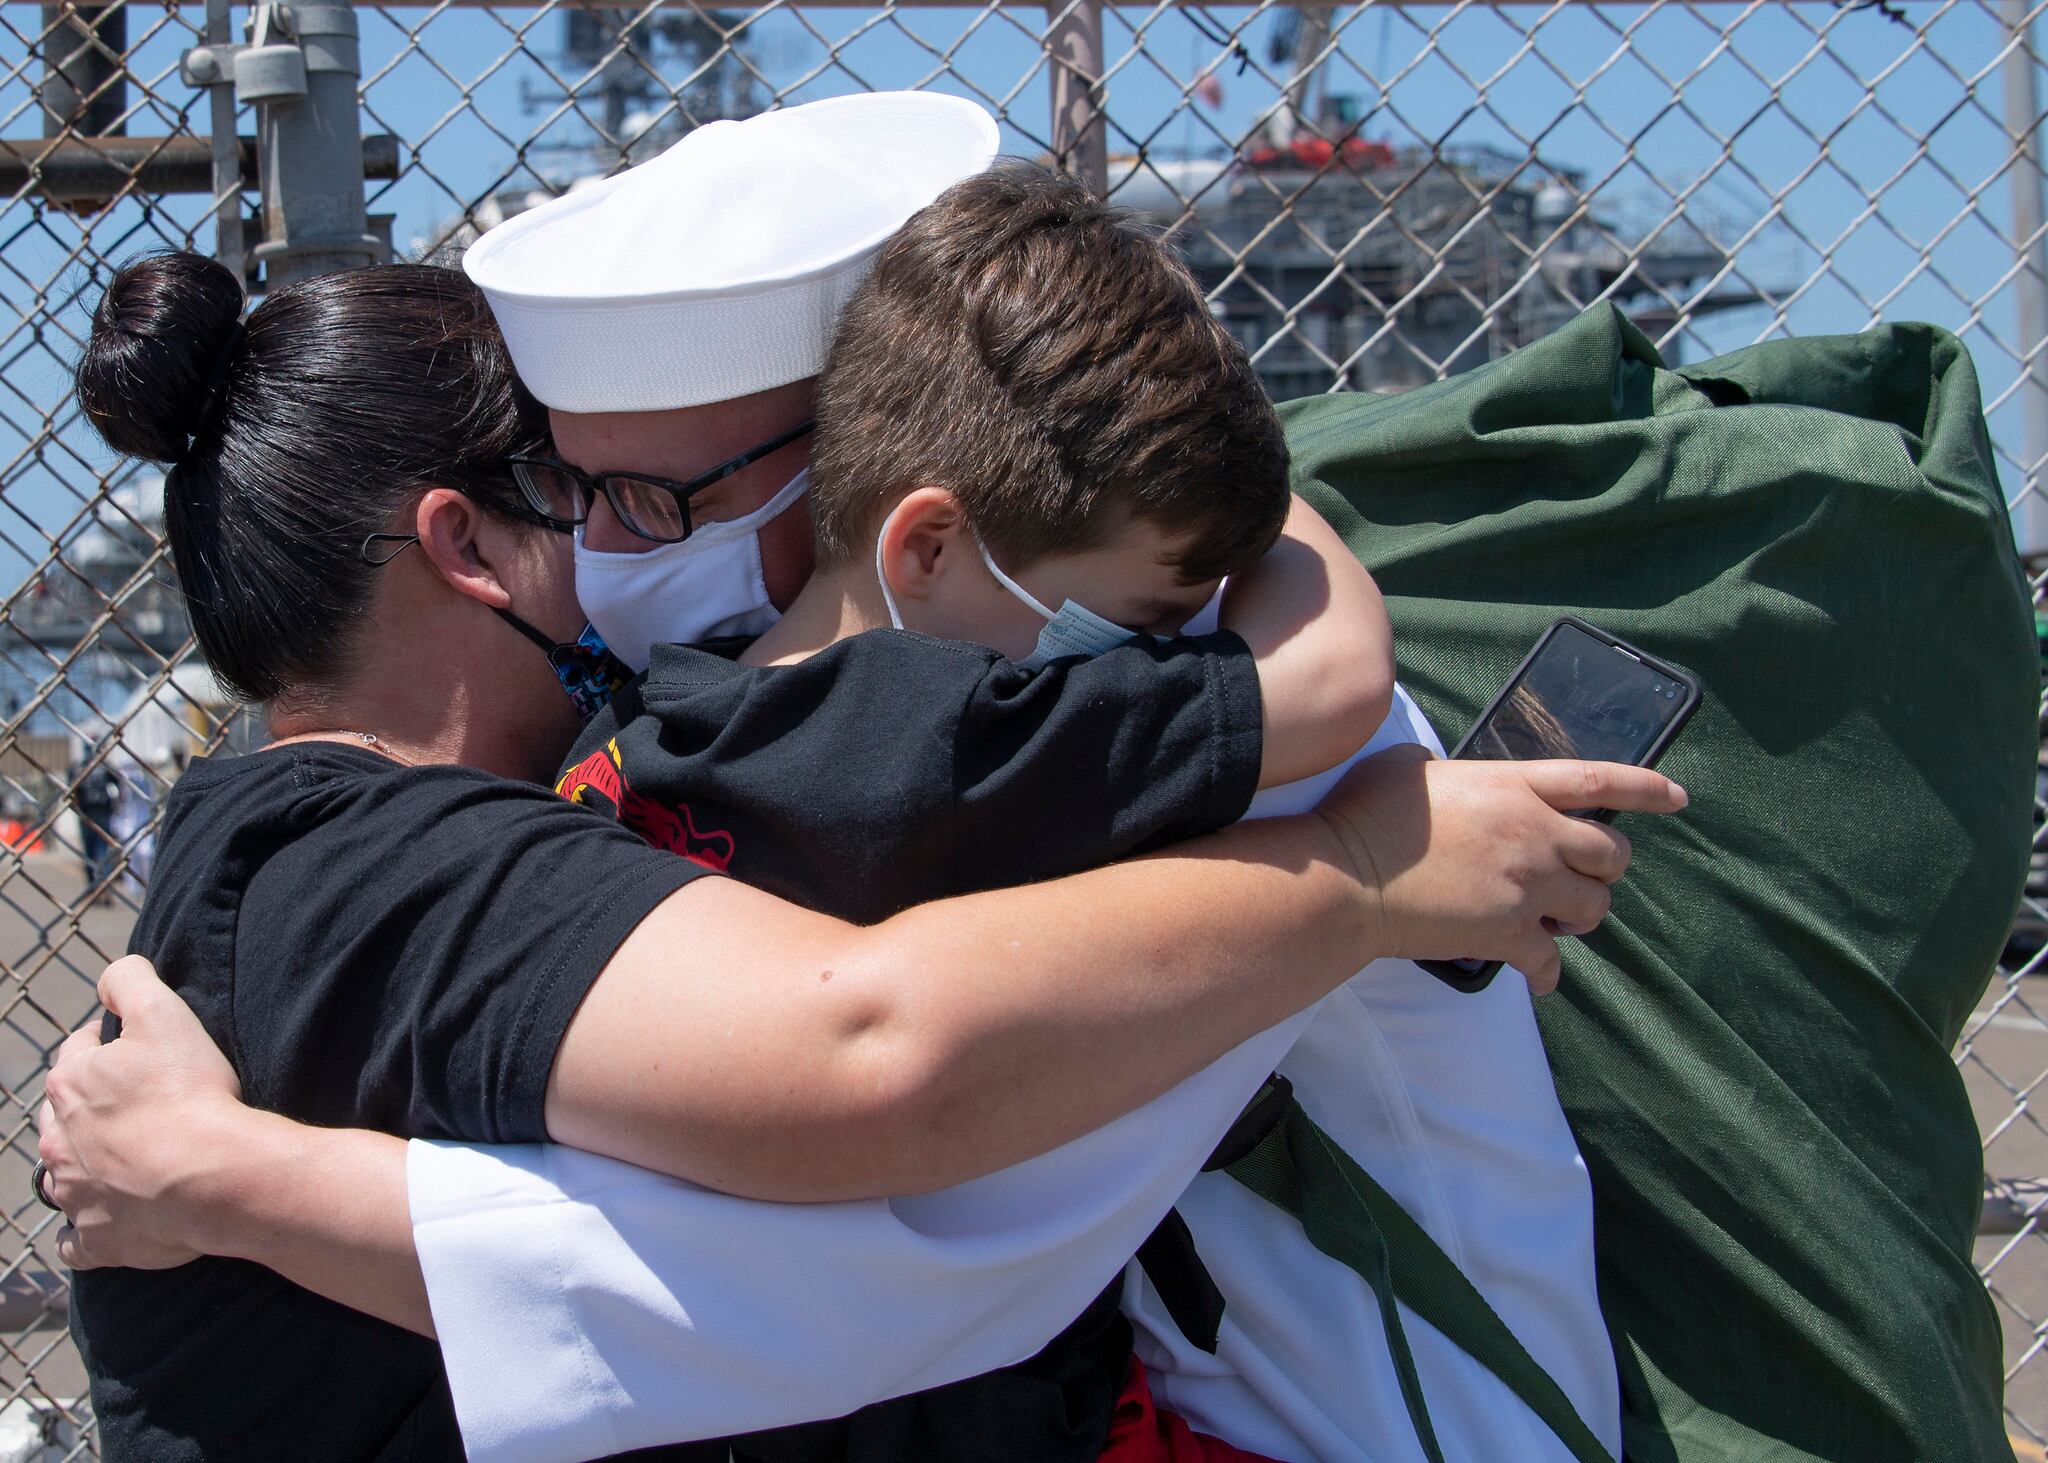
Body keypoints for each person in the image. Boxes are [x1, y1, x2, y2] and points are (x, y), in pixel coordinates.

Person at [40, 94, 1680, 1461]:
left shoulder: (1095, 736)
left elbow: (894, 1207)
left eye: (657, 504)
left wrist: (242, 1186)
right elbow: (844, 1173)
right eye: (581, 495)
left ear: (888, 486)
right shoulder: (430, 843)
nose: (620, 561)